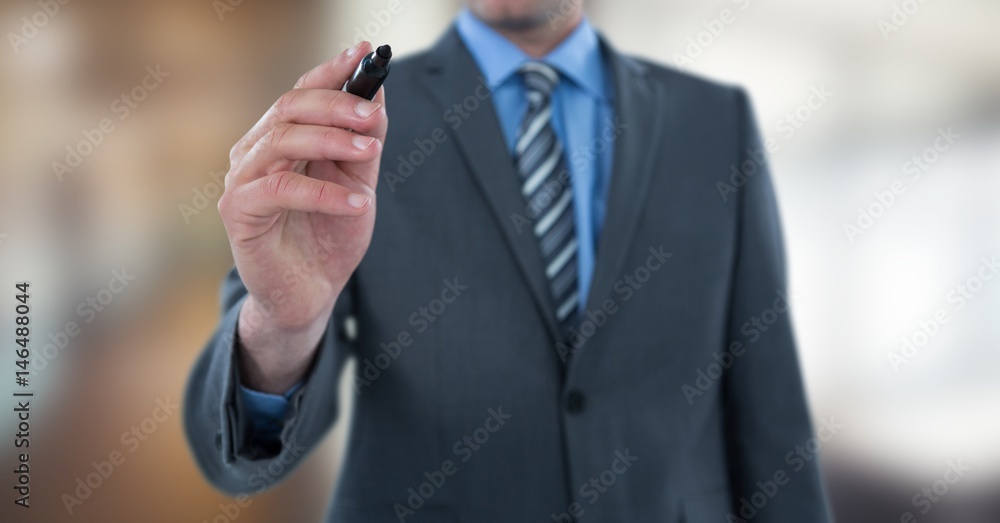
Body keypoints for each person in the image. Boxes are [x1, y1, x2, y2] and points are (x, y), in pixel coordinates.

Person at [183, 1, 832, 521]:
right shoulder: (348, 124)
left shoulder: (713, 121)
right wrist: (283, 323)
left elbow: (771, 415)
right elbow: (241, 459)